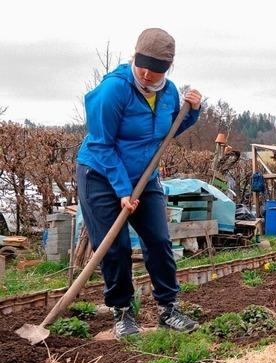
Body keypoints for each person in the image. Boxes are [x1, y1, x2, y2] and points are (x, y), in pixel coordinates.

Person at [76, 28, 203, 339]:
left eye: (156, 69)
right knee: (115, 248)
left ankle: (168, 308)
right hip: (101, 176)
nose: (147, 75)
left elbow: (170, 129)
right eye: (142, 66)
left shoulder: (170, 92)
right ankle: (122, 312)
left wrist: (194, 111)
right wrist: (121, 190)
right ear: (134, 58)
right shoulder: (113, 91)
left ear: (168, 68)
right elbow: (103, 144)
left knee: (159, 240)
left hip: (144, 177)